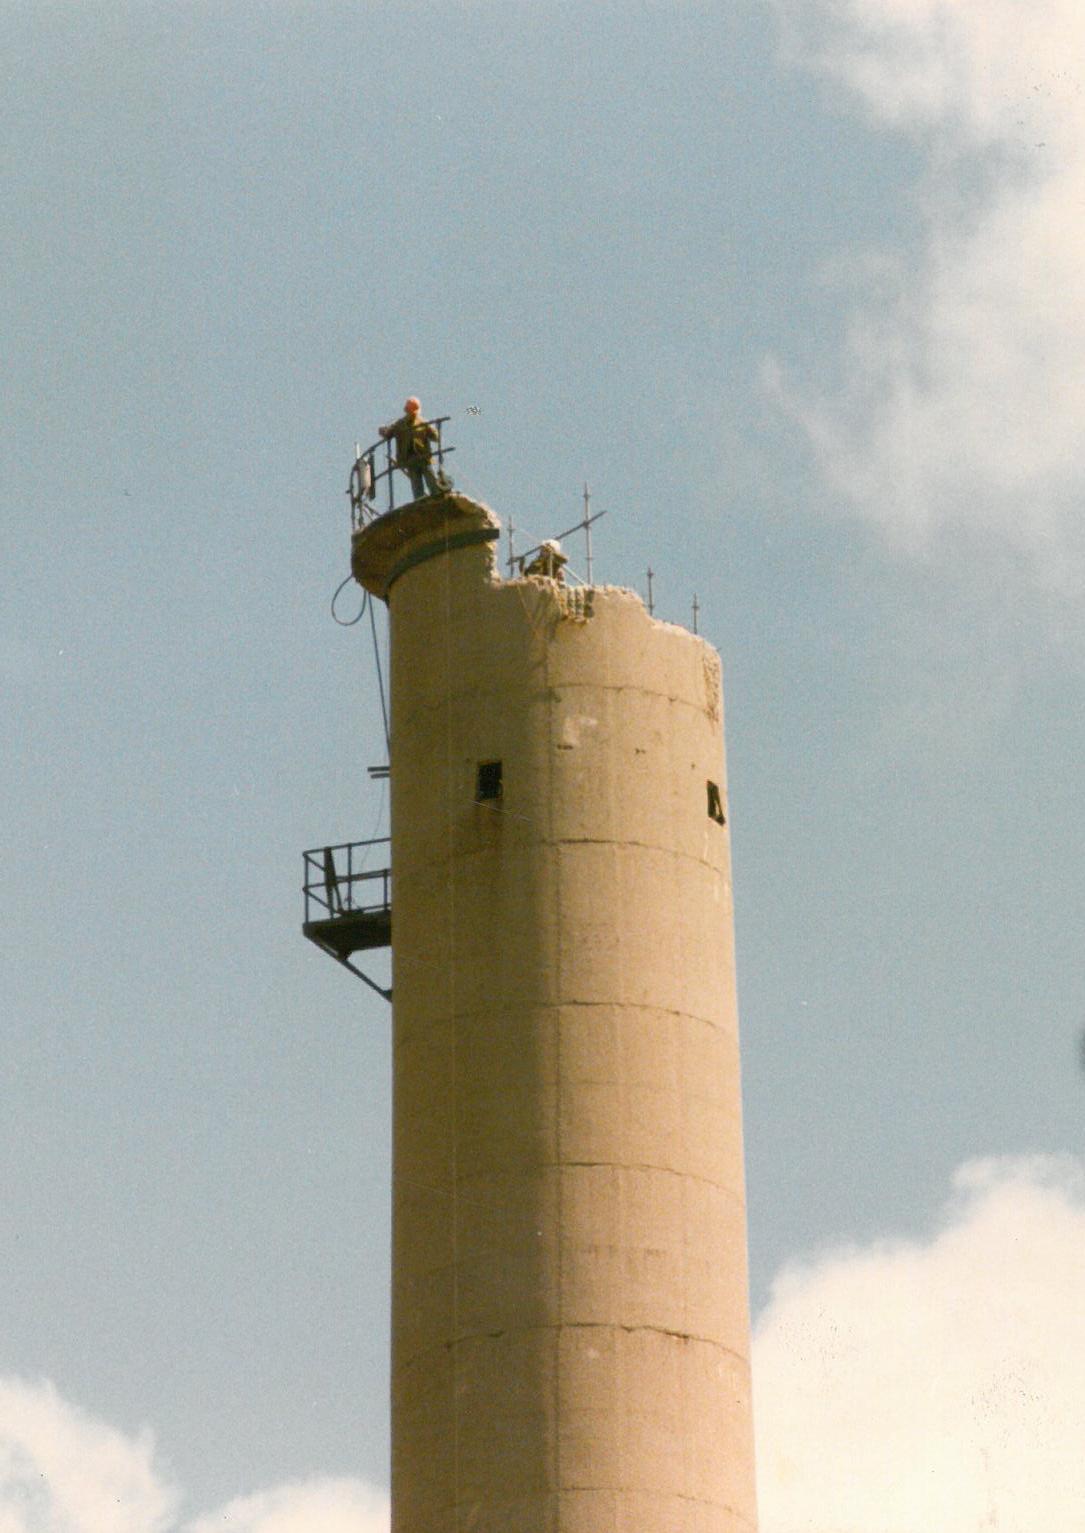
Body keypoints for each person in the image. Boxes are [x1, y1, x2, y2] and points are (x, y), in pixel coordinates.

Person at [378, 397, 449, 500]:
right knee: (416, 483)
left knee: (431, 478)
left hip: (423, 457)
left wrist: (434, 430)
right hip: (409, 458)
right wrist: (383, 431)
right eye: (411, 409)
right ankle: (420, 500)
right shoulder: (399, 424)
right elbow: (388, 434)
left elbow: (436, 437)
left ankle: (437, 495)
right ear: (407, 410)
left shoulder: (423, 423)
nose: (413, 413)